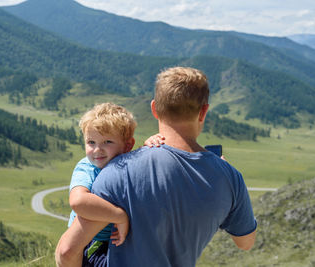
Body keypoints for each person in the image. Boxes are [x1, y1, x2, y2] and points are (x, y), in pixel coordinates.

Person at [58, 67, 257, 267]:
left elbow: (67, 252)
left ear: (154, 108)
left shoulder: (117, 171)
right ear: (203, 111)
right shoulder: (230, 177)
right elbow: (246, 242)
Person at [55, 103, 137, 267]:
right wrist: (119, 216)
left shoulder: (129, 162)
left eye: (107, 142)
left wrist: (152, 141)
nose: (97, 150)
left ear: (128, 145)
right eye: (91, 142)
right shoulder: (87, 168)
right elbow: (78, 201)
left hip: (115, 241)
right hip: (90, 243)